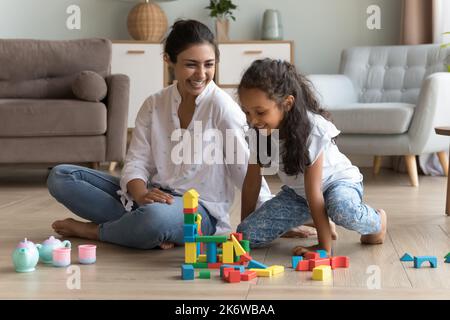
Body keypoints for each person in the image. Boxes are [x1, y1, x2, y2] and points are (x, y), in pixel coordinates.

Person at [46, 20, 272, 249]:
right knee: (61, 177)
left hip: (200, 211)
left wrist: (271, 218)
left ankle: (98, 231)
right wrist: (141, 193)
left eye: (209, 64)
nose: (201, 74)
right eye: (191, 65)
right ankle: (146, 230)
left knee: (154, 219)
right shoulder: (154, 104)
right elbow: (136, 160)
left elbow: (246, 169)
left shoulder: (223, 107)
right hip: (148, 197)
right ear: (169, 61)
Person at [236, 58, 387, 256]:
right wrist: (241, 234)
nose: (253, 120)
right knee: (247, 235)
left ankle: (378, 220)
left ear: (287, 103)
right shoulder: (258, 131)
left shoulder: (312, 129)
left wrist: (323, 248)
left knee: (341, 209)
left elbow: (314, 191)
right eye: (246, 112)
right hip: (299, 196)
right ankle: (317, 220)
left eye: (260, 112)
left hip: (337, 185)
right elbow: (251, 182)